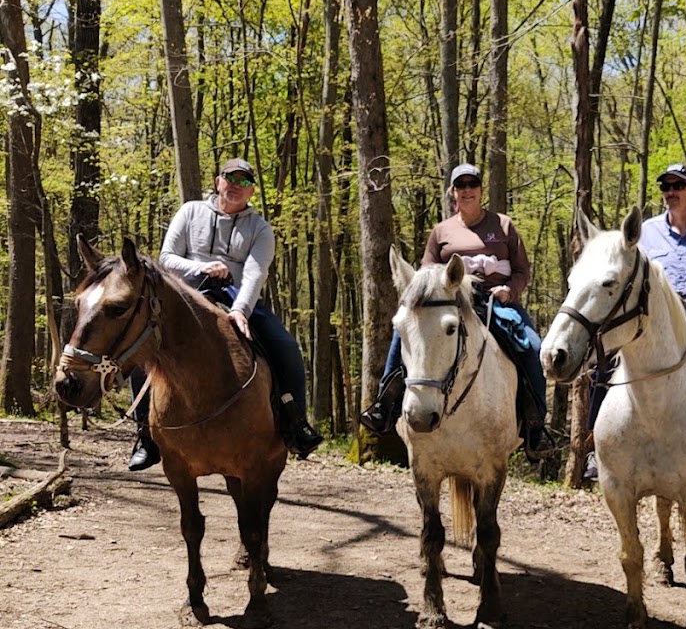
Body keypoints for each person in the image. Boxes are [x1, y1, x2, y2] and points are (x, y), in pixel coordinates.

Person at [128, 157, 322, 470]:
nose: (236, 186)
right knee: (144, 349)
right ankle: (146, 437)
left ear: (252, 191)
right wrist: (201, 267)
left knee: (286, 347)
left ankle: (295, 424)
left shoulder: (260, 229)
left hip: (237, 297)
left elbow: (255, 273)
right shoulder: (190, 211)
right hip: (185, 296)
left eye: (244, 182)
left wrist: (241, 311)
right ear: (219, 181)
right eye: (231, 178)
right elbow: (166, 258)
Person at [360, 163, 548, 452]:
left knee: (532, 347)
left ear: (481, 190)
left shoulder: (504, 226)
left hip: (494, 302)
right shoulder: (441, 231)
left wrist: (509, 290)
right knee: (403, 333)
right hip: (448, 301)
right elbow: (425, 273)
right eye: (461, 186)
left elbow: (523, 270)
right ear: (453, 193)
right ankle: (385, 405)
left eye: (472, 184)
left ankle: (535, 426)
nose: (467, 190)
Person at [583, 162, 686, 482]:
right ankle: (596, 447)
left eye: (678, 186)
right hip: (651, 324)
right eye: (665, 187)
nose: (670, 193)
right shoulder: (647, 232)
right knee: (601, 365)